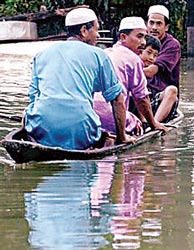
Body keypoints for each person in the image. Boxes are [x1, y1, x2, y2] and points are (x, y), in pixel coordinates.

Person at [23, 7, 135, 150]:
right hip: (81, 131)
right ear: (84, 31)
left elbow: (33, 98)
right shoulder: (99, 55)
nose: (98, 35)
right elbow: (117, 99)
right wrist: (122, 137)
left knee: (26, 116)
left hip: (41, 129)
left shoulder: (41, 54)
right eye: (96, 30)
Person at [94, 16, 167, 134]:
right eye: (139, 36)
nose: (143, 42)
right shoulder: (133, 59)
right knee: (137, 124)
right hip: (111, 116)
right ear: (123, 37)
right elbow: (141, 98)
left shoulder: (104, 53)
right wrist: (153, 124)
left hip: (90, 116)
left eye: (144, 37)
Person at [144, 5, 181, 122]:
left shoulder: (172, 45)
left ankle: (153, 124)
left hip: (160, 96)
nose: (154, 27)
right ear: (146, 24)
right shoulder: (141, 41)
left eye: (159, 24)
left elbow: (150, 72)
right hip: (141, 94)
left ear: (166, 27)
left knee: (171, 90)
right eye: (151, 23)